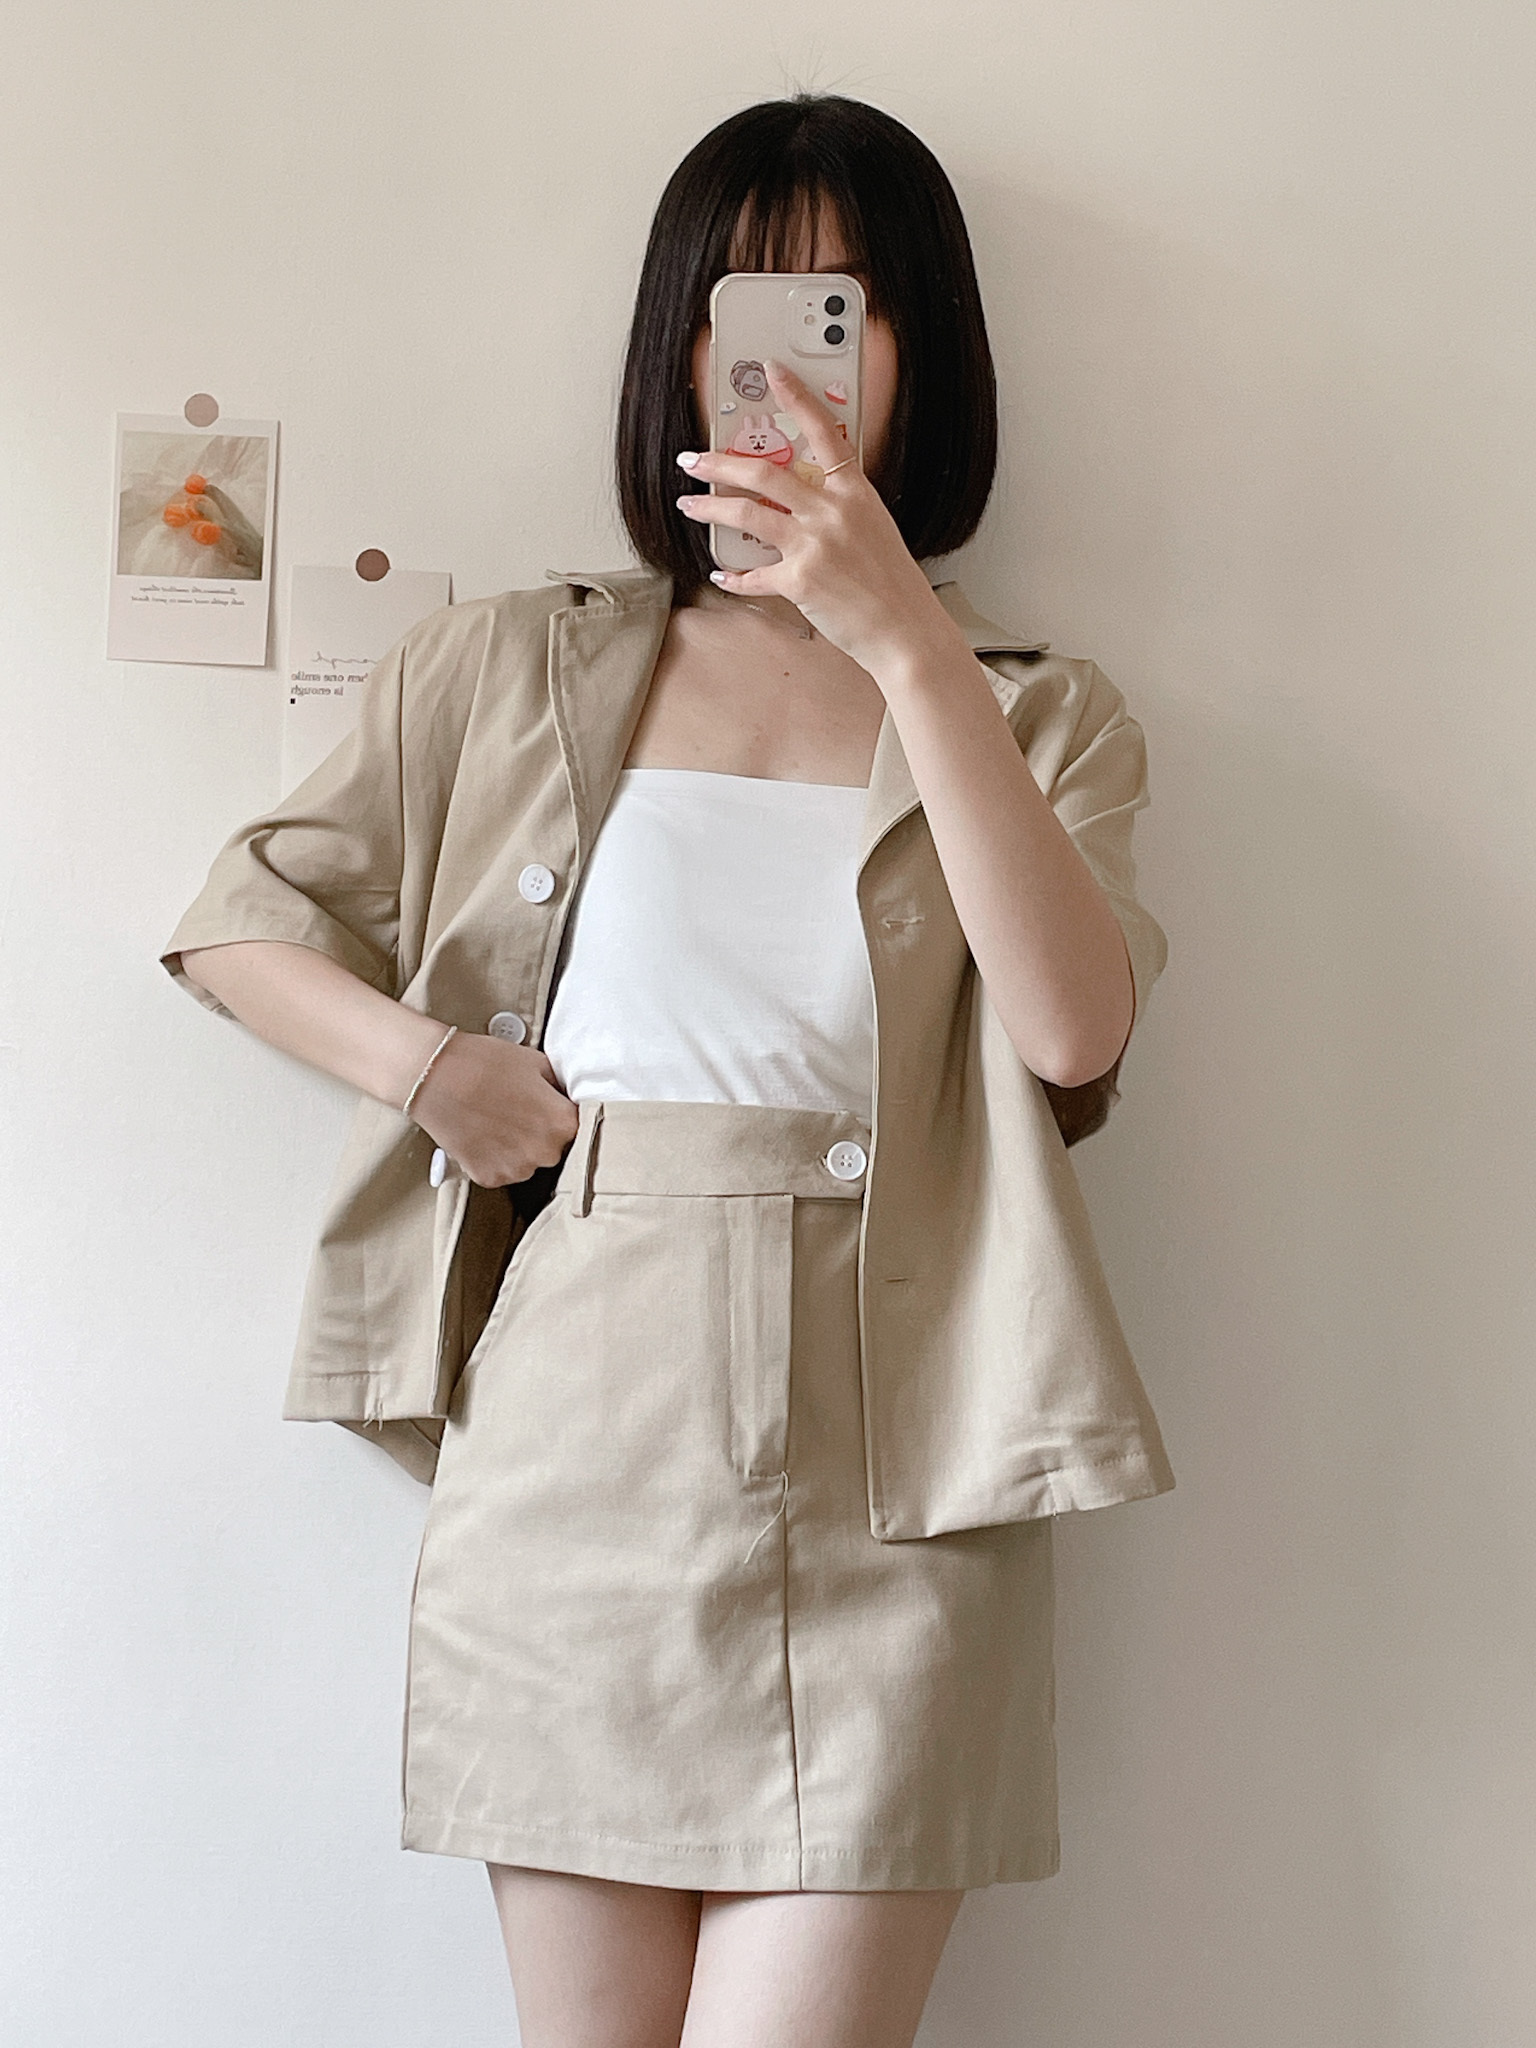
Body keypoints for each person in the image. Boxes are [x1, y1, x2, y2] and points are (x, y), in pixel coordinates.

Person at [162, 93, 1173, 2048]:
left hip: (905, 1467)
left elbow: (1074, 1034)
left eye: (845, 309)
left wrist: (907, 649)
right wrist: (435, 1069)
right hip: (579, 1451)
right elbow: (239, 922)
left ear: (923, 353)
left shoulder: (1043, 710)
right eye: (745, 306)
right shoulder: (507, 665)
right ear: (679, 350)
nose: (790, 358)